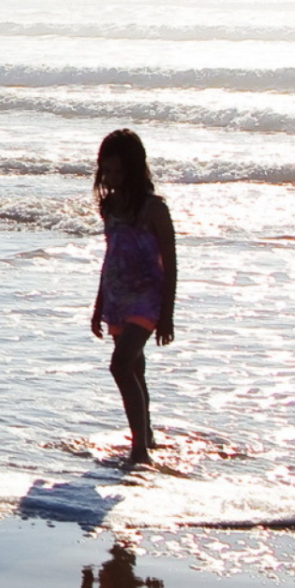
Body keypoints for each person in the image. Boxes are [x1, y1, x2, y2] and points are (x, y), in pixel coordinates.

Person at [87, 127, 174, 468]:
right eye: (106, 171)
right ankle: (146, 433)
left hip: (147, 299)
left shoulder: (154, 209)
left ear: (135, 169)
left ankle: (139, 450)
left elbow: (171, 264)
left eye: (119, 171)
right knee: (135, 368)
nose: (111, 178)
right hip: (117, 298)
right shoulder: (109, 205)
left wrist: (167, 314)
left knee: (120, 364)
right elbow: (110, 257)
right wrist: (98, 306)